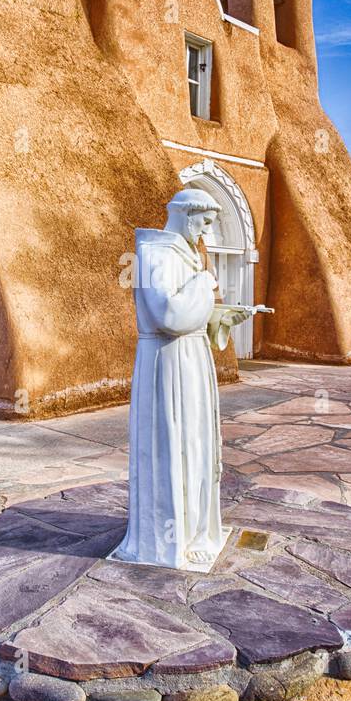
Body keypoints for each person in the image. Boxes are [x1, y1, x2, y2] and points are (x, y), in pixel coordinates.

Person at [113, 188, 250, 569]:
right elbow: (170, 316)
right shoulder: (155, 253)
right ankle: (168, 542)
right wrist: (205, 284)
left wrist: (221, 315)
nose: (207, 232)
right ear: (186, 214)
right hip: (167, 363)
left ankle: (192, 532)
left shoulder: (183, 256)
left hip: (188, 360)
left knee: (193, 440)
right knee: (173, 441)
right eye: (205, 222)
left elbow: (190, 316)